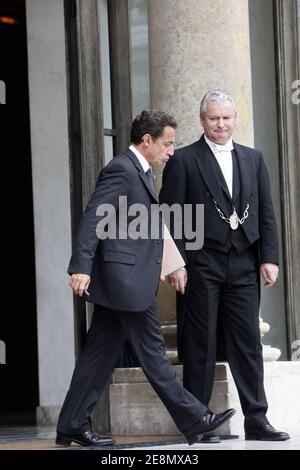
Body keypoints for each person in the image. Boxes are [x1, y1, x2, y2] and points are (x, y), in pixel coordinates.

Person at [56, 110, 235, 448]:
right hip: (126, 283)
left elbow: (145, 229)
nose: (171, 151)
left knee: (97, 356)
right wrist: (79, 266)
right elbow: (94, 217)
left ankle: (71, 424)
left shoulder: (139, 171)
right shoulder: (121, 170)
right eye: (167, 144)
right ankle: (196, 419)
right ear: (147, 140)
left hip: (125, 282)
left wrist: (169, 265)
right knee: (154, 353)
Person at [159, 90, 290, 443]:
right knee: (199, 342)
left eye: (226, 118)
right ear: (202, 120)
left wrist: (270, 257)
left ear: (235, 119)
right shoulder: (184, 160)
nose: (221, 124)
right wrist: (175, 264)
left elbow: (266, 212)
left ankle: (257, 420)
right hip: (201, 265)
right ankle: (199, 421)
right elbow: (171, 217)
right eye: (214, 118)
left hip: (245, 263)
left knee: (248, 343)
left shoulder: (253, 158)